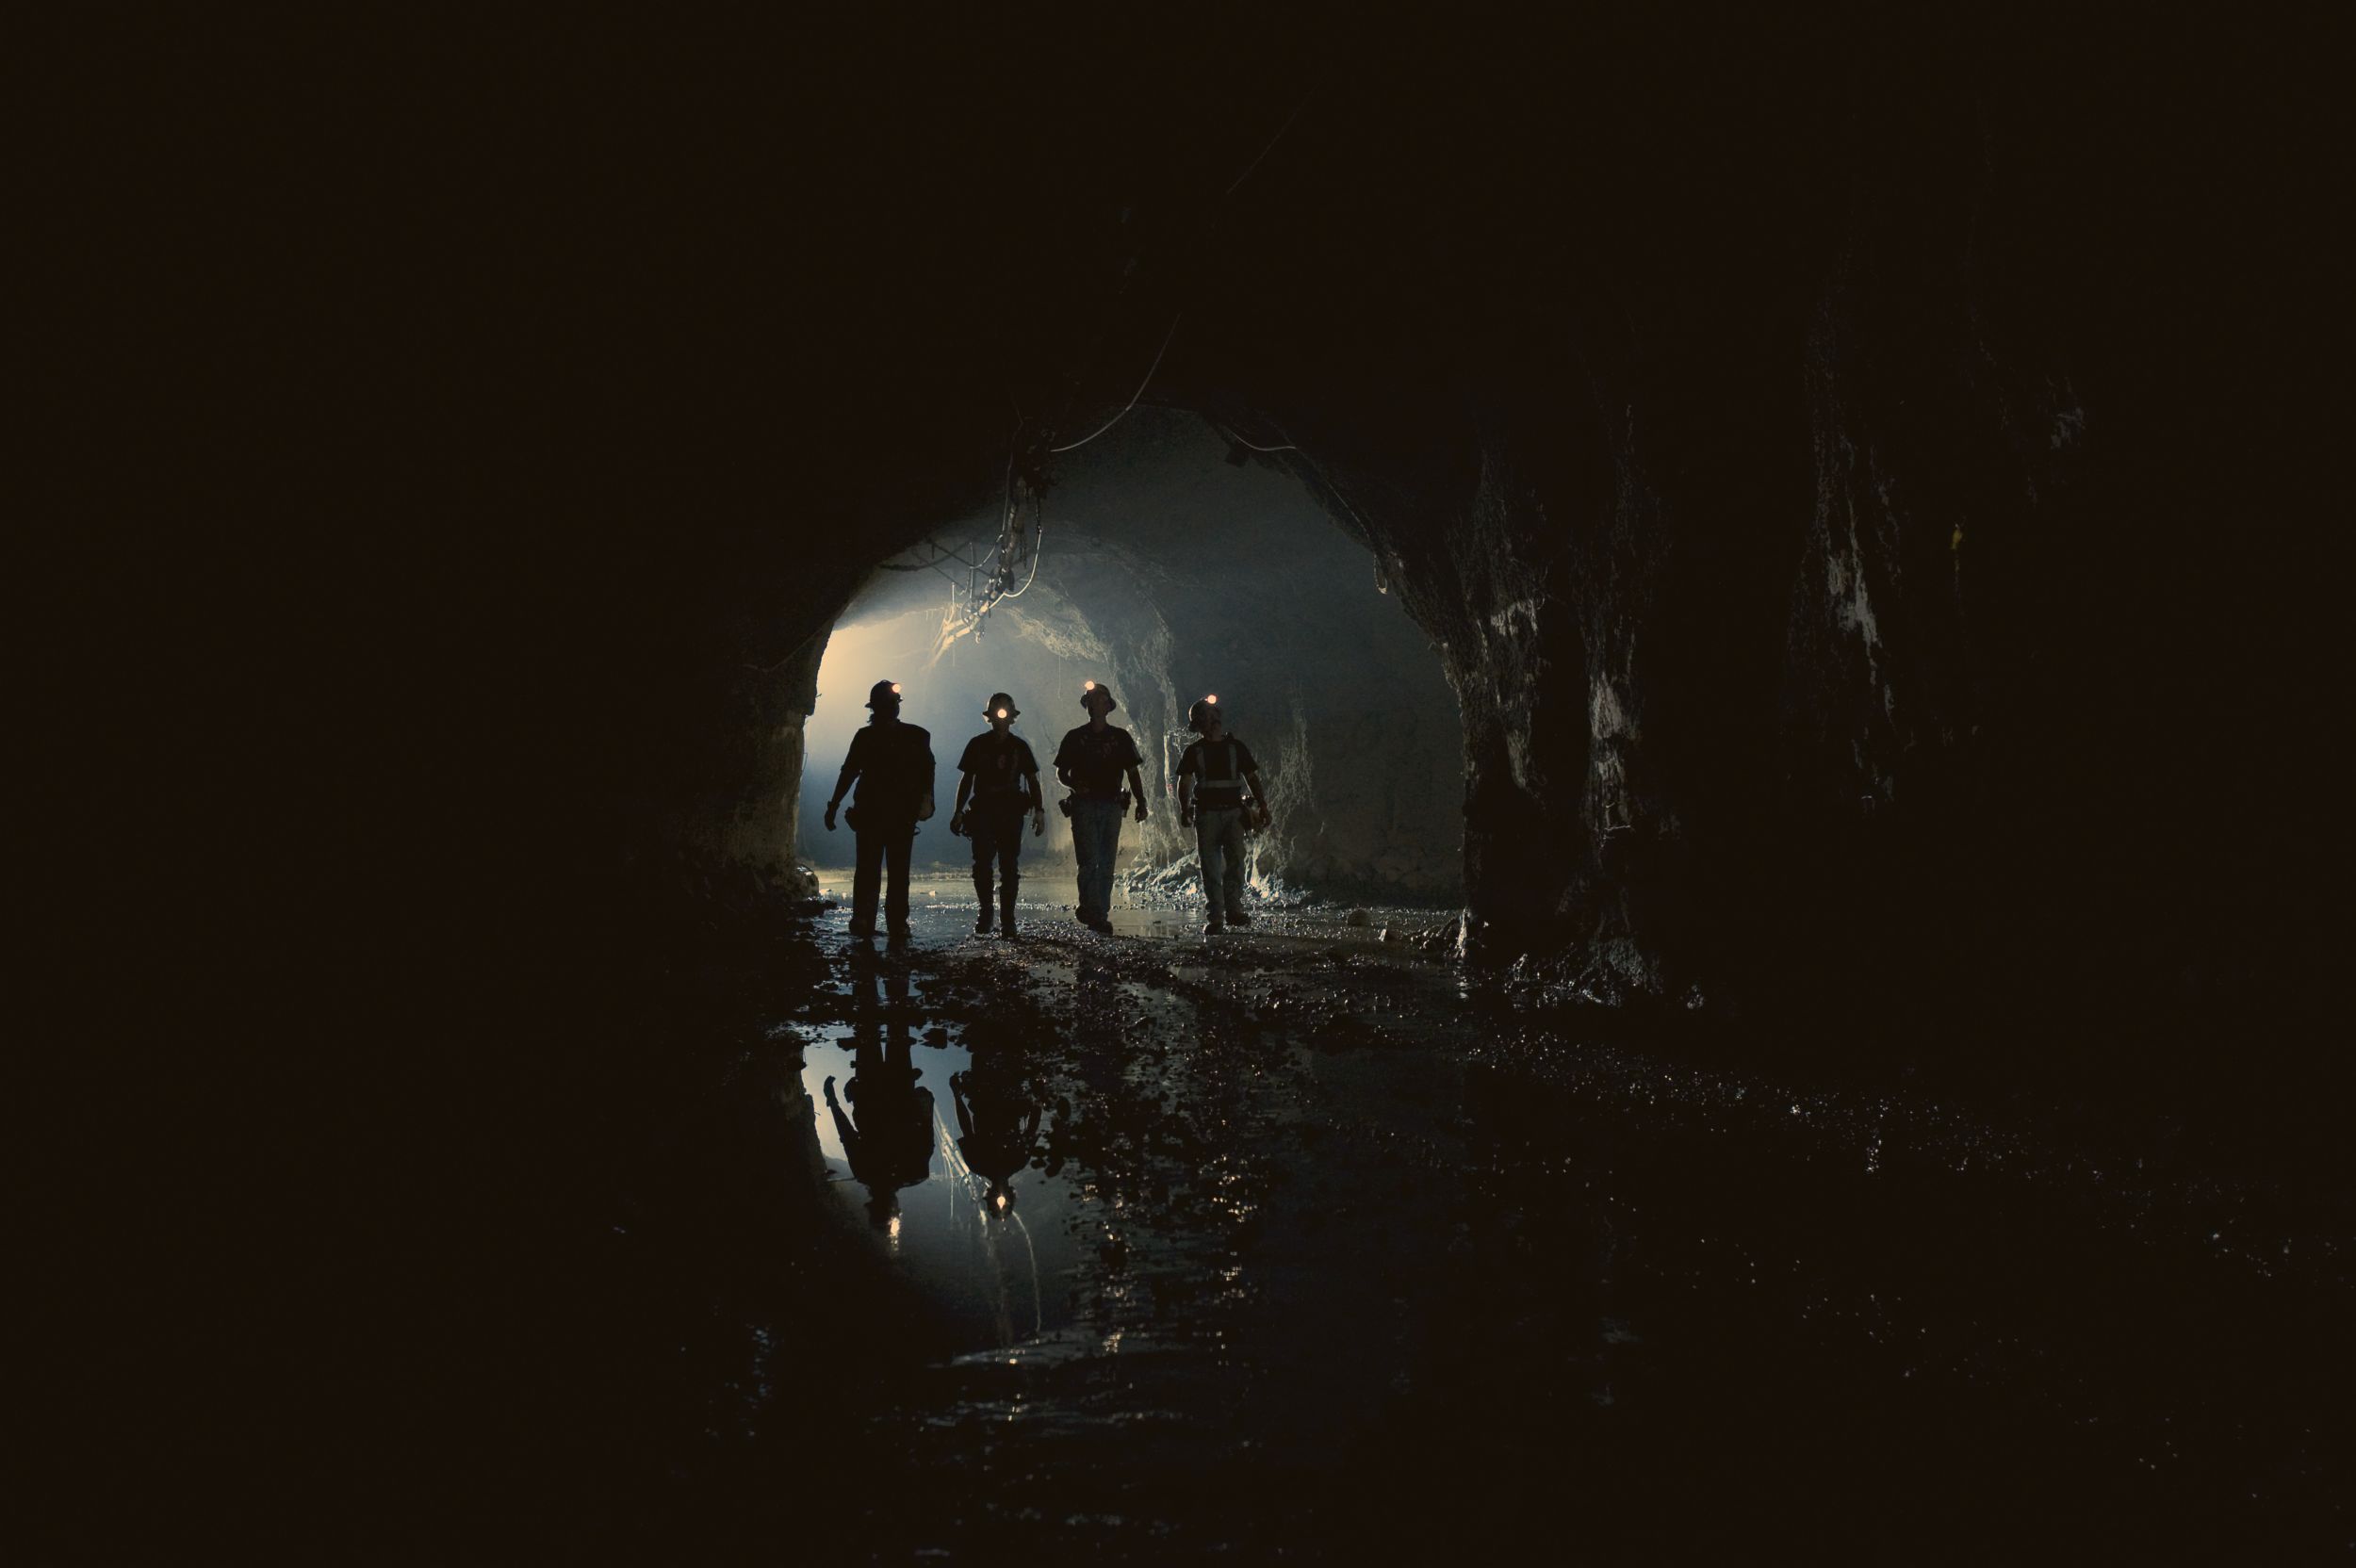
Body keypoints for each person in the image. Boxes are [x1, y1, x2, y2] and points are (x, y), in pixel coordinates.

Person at [822, 678, 936, 943]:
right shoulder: (908, 736)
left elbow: (926, 771)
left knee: (879, 870)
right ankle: (883, 922)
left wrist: (834, 806)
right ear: (879, 708)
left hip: (889, 814)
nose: (893, 708)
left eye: (894, 703)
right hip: (879, 814)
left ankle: (880, 921)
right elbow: (849, 771)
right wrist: (834, 805)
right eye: (890, 703)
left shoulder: (911, 736)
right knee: (884, 870)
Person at [1053, 680, 1147, 934]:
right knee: (1089, 860)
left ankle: (1099, 913)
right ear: (1087, 706)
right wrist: (1073, 785)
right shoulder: (1075, 738)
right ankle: (1089, 906)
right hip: (1084, 805)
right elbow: (1060, 772)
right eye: (1093, 700)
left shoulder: (1120, 738)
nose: (1097, 703)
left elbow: (1133, 772)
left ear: (1108, 706)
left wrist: (1141, 801)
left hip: (1112, 805)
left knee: (1106, 862)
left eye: (1102, 699)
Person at [949, 692, 1045, 938]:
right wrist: (958, 811)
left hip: (1011, 813)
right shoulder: (977, 745)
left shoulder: (1019, 747)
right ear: (989, 718)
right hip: (983, 812)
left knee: (1009, 866)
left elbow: (1033, 780)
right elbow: (967, 779)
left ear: (1012, 718)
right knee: (982, 865)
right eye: (997, 713)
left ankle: (1008, 919)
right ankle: (986, 913)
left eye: (1005, 713)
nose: (1001, 718)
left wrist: (1040, 811)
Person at [1175, 694, 1269, 936]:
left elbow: (1252, 778)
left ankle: (1234, 910)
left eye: (1210, 716)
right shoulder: (1194, 751)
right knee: (1210, 866)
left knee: (1236, 862)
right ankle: (1216, 916)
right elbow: (1184, 782)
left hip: (1233, 814)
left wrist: (1263, 806)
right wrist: (1184, 809)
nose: (1209, 721)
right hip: (1206, 814)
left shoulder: (1236, 748)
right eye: (1204, 717)